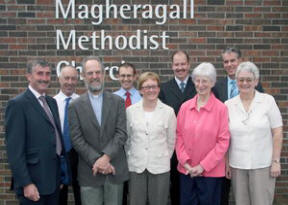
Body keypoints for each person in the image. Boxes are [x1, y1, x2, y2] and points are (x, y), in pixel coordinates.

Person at [68, 56, 128, 205]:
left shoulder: (118, 102)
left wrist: (106, 158)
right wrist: (97, 161)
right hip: (90, 173)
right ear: (83, 76)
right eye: (90, 73)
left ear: (103, 74)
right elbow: (76, 139)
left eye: (98, 72)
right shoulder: (75, 106)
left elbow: (121, 133)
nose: (94, 76)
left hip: (114, 169)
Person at [5, 59, 66, 204]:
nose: (44, 78)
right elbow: (14, 150)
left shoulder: (51, 102)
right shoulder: (18, 105)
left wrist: (60, 176)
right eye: (40, 74)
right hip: (33, 184)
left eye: (47, 74)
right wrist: (26, 183)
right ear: (28, 76)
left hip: (53, 181)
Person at [225, 61, 283, 205]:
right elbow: (225, 137)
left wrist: (276, 161)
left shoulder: (268, 101)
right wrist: (227, 163)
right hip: (237, 165)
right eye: (241, 80)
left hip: (263, 164)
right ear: (236, 81)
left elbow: (277, 132)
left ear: (256, 81)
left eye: (249, 80)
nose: (245, 83)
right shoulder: (228, 105)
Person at [213, 47, 264, 205]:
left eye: (233, 60)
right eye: (226, 62)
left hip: (247, 150)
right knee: (223, 190)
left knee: (248, 193)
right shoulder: (217, 86)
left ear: (240, 61)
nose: (229, 64)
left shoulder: (256, 86)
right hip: (223, 148)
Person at [176, 62, 230, 205]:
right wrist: (186, 163)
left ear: (212, 83)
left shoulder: (221, 109)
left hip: (211, 173)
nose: (201, 85)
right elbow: (178, 136)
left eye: (205, 81)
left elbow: (223, 142)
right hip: (186, 171)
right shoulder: (185, 107)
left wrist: (202, 166)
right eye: (197, 80)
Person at [126, 72, 176, 205]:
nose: (151, 90)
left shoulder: (168, 111)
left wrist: (163, 157)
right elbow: (127, 140)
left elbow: (171, 141)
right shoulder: (130, 111)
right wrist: (131, 156)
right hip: (136, 166)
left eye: (154, 86)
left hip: (160, 166)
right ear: (141, 90)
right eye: (147, 87)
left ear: (159, 88)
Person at [158, 50, 196, 205]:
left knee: (196, 186)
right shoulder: (164, 88)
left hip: (196, 145)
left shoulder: (199, 85)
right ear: (172, 66)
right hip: (173, 147)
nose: (180, 67)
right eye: (176, 64)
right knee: (176, 186)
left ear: (189, 64)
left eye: (183, 64)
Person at [113, 63, 141, 204]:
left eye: (129, 75)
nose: (126, 79)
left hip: (138, 150)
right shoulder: (111, 98)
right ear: (118, 77)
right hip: (118, 152)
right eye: (123, 75)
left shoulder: (143, 97)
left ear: (135, 77)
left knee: (138, 193)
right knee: (120, 193)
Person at [54, 65, 81, 205]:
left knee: (81, 198)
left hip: (80, 158)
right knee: (59, 199)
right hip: (59, 157)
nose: (70, 82)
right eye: (66, 78)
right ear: (59, 79)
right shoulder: (50, 103)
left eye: (73, 79)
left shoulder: (83, 103)